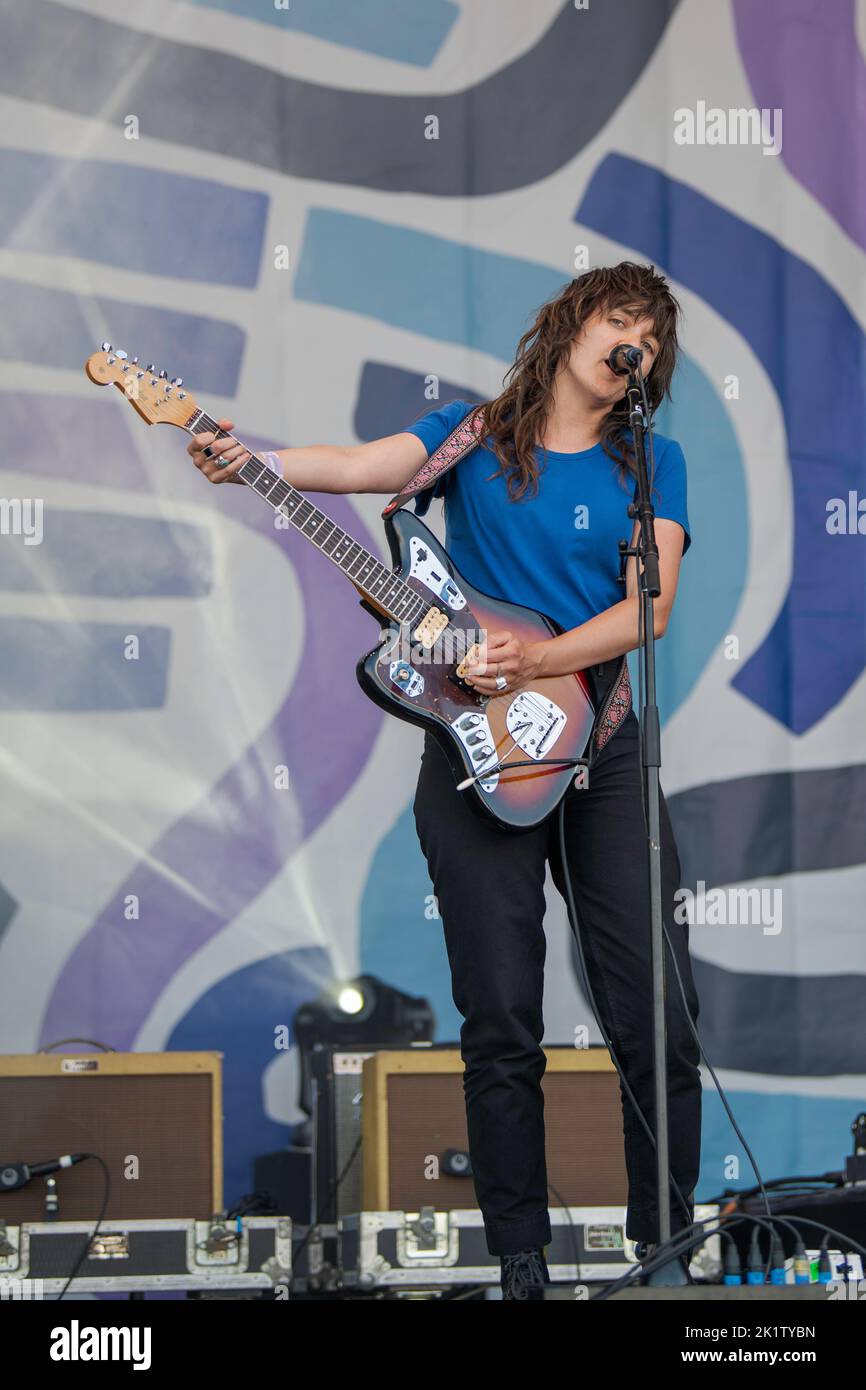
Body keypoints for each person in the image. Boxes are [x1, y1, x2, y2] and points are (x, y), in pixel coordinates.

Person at [187, 262, 702, 1301]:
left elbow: (648, 608)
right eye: (616, 318)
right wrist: (254, 459)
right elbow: (348, 464)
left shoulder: (652, 461)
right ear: (570, 324)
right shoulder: (469, 436)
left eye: (647, 333)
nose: (628, 341)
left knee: (655, 1015)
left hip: (600, 748)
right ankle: (520, 1262)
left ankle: (664, 1253)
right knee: (500, 1014)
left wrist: (540, 661)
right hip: (476, 757)